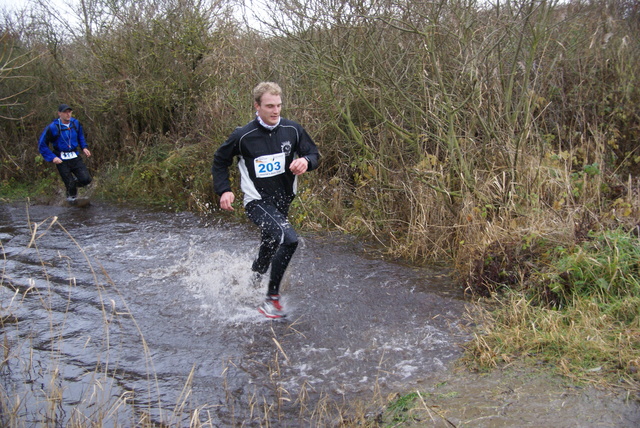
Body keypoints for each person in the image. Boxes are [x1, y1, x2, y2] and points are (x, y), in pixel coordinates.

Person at [212, 82, 320, 319]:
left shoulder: (292, 130)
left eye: (279, 105)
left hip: (283, 200)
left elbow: (314, 154)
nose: (276, 111)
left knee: (270, 245)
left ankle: (252, 281)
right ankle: (271, 300)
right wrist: (224, 190)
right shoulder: (243, 136)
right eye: (270, 106)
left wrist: (306, 162)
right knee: (289, 240)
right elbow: (220, 160)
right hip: (257, 202)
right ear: (257, 106)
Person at [38, 104, 92, 202]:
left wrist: (84, 147)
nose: (68, 114)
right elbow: (42, 145)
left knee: (86, 179)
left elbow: (80, 136)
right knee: (70, 186)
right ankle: (71, 205)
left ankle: (72, 184)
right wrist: (52, 157)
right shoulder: (53, 127)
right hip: (61, 159)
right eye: (65, 112)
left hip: (74, 156)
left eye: (69, 112)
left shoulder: (75, 123)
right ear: (59, 114)